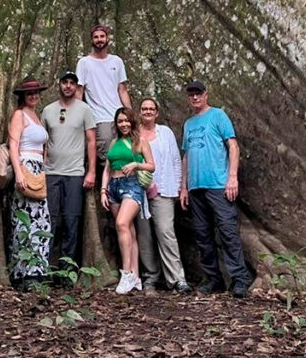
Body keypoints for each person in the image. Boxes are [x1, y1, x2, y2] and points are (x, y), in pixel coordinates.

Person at [179, 80, 252, 297]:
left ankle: (240, 279)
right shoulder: (188, 124)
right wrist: (183, 187)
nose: (195, 97)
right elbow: (186, 156)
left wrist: (232, 178)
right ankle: (214, 279)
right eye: (191, 94)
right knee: (203, 235)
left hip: (219, 185)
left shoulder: (218, 115)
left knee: (228, 232)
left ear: (206, 95)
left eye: (198, 94)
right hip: (196, 188)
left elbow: (233, 146)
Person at [41, 71, 96, 273]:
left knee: (71, 220)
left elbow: (91, 141)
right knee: (50, 220)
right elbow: (43, 141)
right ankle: (45, 268)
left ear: (76, 87)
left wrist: (91, 172)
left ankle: (67, 271)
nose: (68, 86)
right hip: (51, 173)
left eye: (72, 83)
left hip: (74, 173)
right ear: (60, 85)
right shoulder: (47, 110)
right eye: (65, 82)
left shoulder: (85, 110)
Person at [136, 97, 192, 293]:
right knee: (144, 235)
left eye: (151, 109)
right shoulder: (134, 134)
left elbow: (176, 160)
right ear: (139, 112)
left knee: (166, 232)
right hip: (139, 192)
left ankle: (177, 278)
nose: (148, 112)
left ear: (157, 113)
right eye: (144, 109)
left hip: (164, 190)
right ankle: (151, 276)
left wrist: (178, 186)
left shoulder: (165, 133)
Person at [101, 107, 154, 294]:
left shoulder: (140, 141)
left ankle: (126, 274)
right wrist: (103, 190)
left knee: (122, 223)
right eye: (120, 121)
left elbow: (151, 165)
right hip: (114, 187)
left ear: (132, 121)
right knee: (128, 230)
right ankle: (136, 277)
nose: (123, 124)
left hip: (132, 185)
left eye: (126, 120)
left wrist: (136, 164)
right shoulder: (114, 141)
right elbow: (107, 168)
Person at [8, 76, 50, 290]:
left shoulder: (36, 116)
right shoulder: (19, 115)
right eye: (29, 93)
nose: (33, 96)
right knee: (25, 221)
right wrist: (19, 173)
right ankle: (23, 274)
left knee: (42, 222)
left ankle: (38, 271)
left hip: (38, 171)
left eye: (36, 93)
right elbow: (13, 145)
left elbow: (42, 147)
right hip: (25, 167)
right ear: (23, 96)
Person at [75, 24, 133, 168]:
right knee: (108, 158)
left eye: (102, 36)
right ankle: (105, 188)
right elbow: (79, 92)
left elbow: (122, 90)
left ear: (107, 39)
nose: (99, 39)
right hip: (101, 119)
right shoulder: (84, 63)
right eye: (96, 37)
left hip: (120, 117)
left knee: (126, 153)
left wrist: (131, 114)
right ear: (91, 40)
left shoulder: (117, 61)